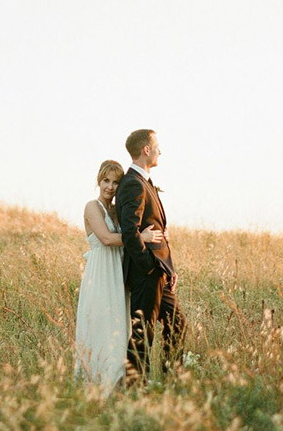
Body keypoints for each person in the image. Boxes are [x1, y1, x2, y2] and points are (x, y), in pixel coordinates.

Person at [74, 159, 164, 395]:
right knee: (101, 325)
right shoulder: (92, 207)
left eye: (115, 182)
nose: (110, 187)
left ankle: (117, 384)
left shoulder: (117, 209)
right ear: (99, 181)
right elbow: (105, 238)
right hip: (100, 272)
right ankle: (95, 383)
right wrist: (138, 237)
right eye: (106, 181)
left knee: (119, 326)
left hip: (117, 273)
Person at [116, 129, 186, 383]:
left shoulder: (144, 181)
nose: (160, 151)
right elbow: (129, 232)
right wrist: (150, 266)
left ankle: (170, 382)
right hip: (146, 273)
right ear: (146, 149)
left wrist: (169, 269)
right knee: (142, 335)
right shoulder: (133, 183)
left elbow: (158, 232)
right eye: (157, 146)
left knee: (177, 325)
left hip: (159, 273)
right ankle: (136, 390)